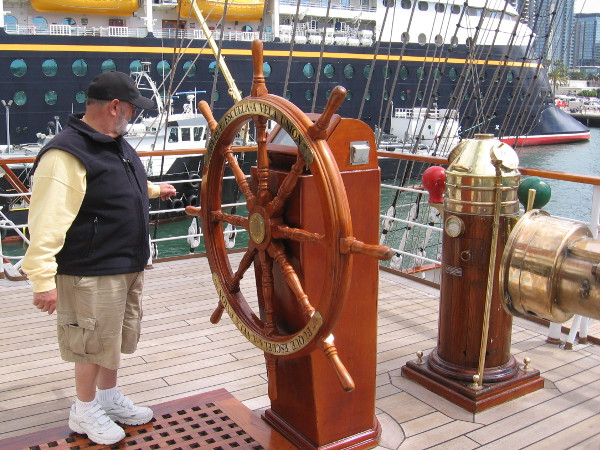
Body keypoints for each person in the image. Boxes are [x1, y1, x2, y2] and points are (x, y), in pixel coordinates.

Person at [21, 71, 177, 445]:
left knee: (113, 339)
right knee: (89, 342)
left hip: (125, 264)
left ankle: (108, 398)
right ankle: (84, 408)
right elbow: (46, 221)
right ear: (114, 107)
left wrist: (153, 189)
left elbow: (117, 185)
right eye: (132, 110)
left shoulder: (112, 142)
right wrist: (42, 280)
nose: (134, 117)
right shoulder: (66, 152)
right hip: (91, 270)